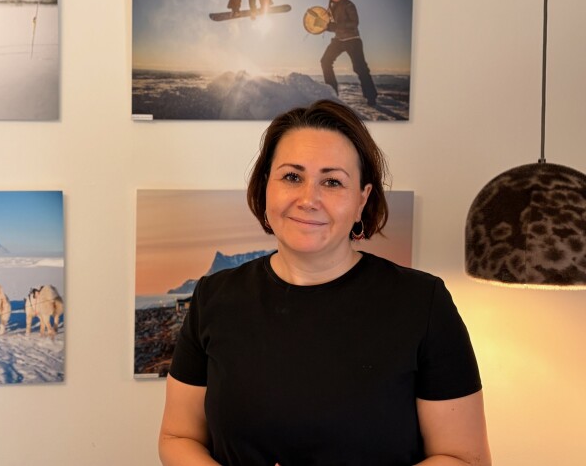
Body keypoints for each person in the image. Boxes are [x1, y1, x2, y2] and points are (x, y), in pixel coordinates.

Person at [158, 100, 490, 465]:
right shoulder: (213, 298)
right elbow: (178, 437)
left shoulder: (423, 303)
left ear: (362, 199)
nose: (308, 199)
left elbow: (463, 458)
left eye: (332, 182)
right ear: (266, 186)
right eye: (292, 177)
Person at [320, 0, 379, 107]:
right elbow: (332, 26)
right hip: (339, 40)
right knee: (325, 61)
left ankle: (371, 97)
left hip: (353, 40)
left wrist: (335, 26)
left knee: (360, 68)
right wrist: (325, 27)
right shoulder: (331, 7)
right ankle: (332, 94)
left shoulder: (348, 4)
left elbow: (354, 23)